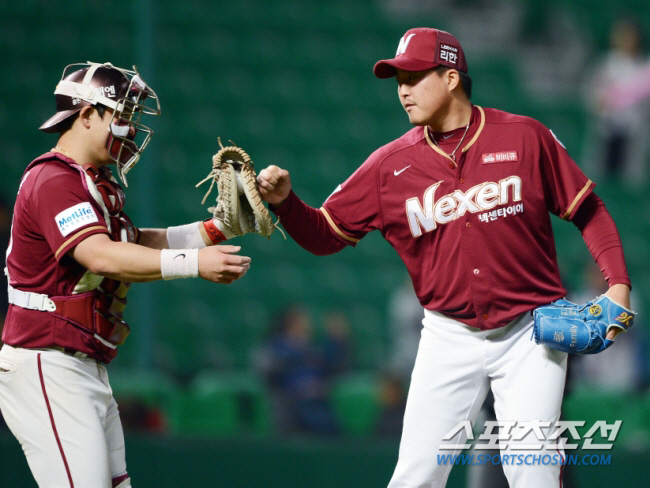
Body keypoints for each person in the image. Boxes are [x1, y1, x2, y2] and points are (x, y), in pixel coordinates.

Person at [256, 28, 633, 487]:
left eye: (413, 77)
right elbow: (325, 235)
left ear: (451, 77)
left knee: (534, 477)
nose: (402, 90)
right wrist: (286, 204)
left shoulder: (524, 137)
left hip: (531, 334)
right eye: (397, 80)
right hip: (448, 334)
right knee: (414, 478)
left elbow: (587, 208)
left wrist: (617, 283)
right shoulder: (388, 167)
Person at [0, 62, 251, 488]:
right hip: (46, 361)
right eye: (121, 117)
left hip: (81, 365)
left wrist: (212, 231)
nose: (129, 131)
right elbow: (101, 255)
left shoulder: (88, 181)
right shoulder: (53, 179)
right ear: (85, 115)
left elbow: (132, 241)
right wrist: (194, 265)